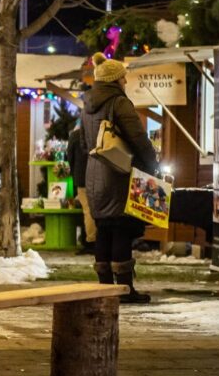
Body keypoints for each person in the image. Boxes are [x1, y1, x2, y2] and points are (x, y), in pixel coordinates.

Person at [81, 52, 159, 304]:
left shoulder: (88, 104)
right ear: (115, 79)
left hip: (95, 170)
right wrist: (151, 164)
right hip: (118, 171)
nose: (126, 82)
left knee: (104, 228)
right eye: (123, 78)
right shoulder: (119, 103)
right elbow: (138, 138)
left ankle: (104, 289)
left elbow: (84, 142)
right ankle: (124, 289)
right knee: (122, 228)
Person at [66, 119, 96, 255]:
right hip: (98, 177)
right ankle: (99, 240)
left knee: (88, 210)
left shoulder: (74, 136)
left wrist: (73, 174)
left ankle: (91, 241)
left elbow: (70, 157)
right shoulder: (97, 134)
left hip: (82, 178)